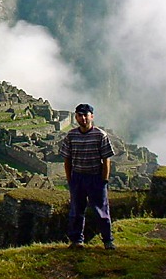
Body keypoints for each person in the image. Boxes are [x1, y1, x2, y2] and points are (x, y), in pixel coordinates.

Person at [60, 103, 116, 250]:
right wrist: (70, 180)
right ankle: (77, 240)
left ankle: (108, 240)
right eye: (80, 115)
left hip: (95, 177)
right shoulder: (71, 136)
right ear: (76, 117)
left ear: (92, 116)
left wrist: (104, 179)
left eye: (86, 115)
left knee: (101, 211)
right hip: (78, 177)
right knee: (76, 211)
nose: (83, 118)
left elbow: (106, 159)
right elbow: (67, 159)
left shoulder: (100, 135)